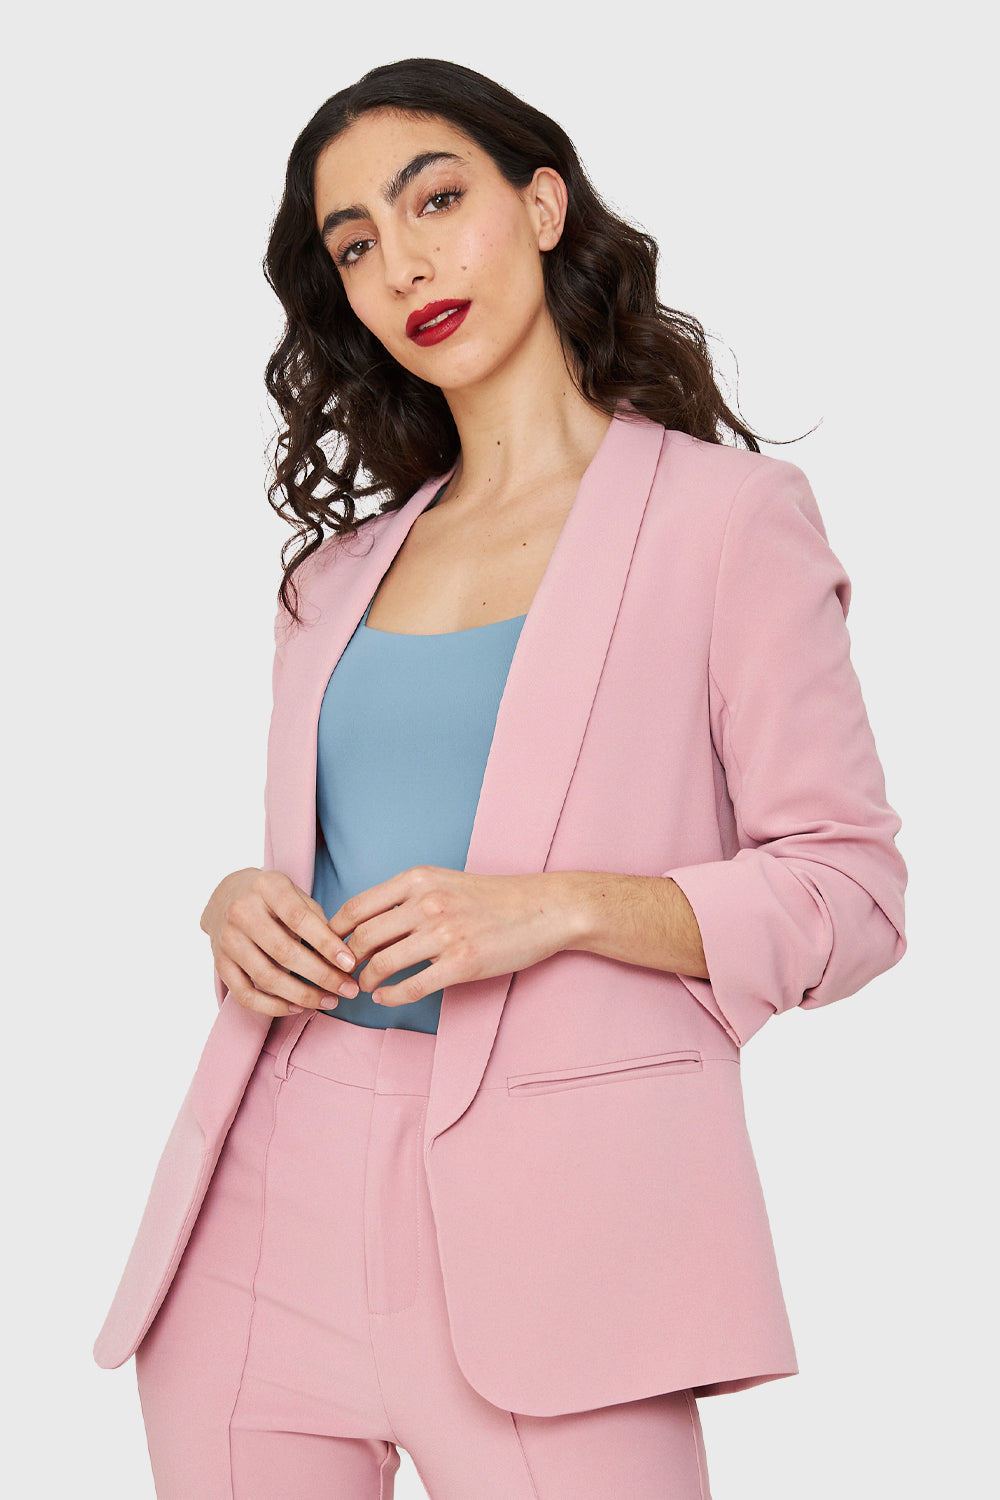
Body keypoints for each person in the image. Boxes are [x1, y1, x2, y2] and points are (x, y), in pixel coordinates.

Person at [94, 57, 907, 1499]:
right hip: (262, 1212)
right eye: (355, 244)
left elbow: (851, 892)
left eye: (436, 202)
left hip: (569, 1228)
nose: (404, 265)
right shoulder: (333, 580)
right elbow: (339, 859)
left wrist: (559, 907)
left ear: (542, 206)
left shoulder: (727, 521)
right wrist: (239, 907)